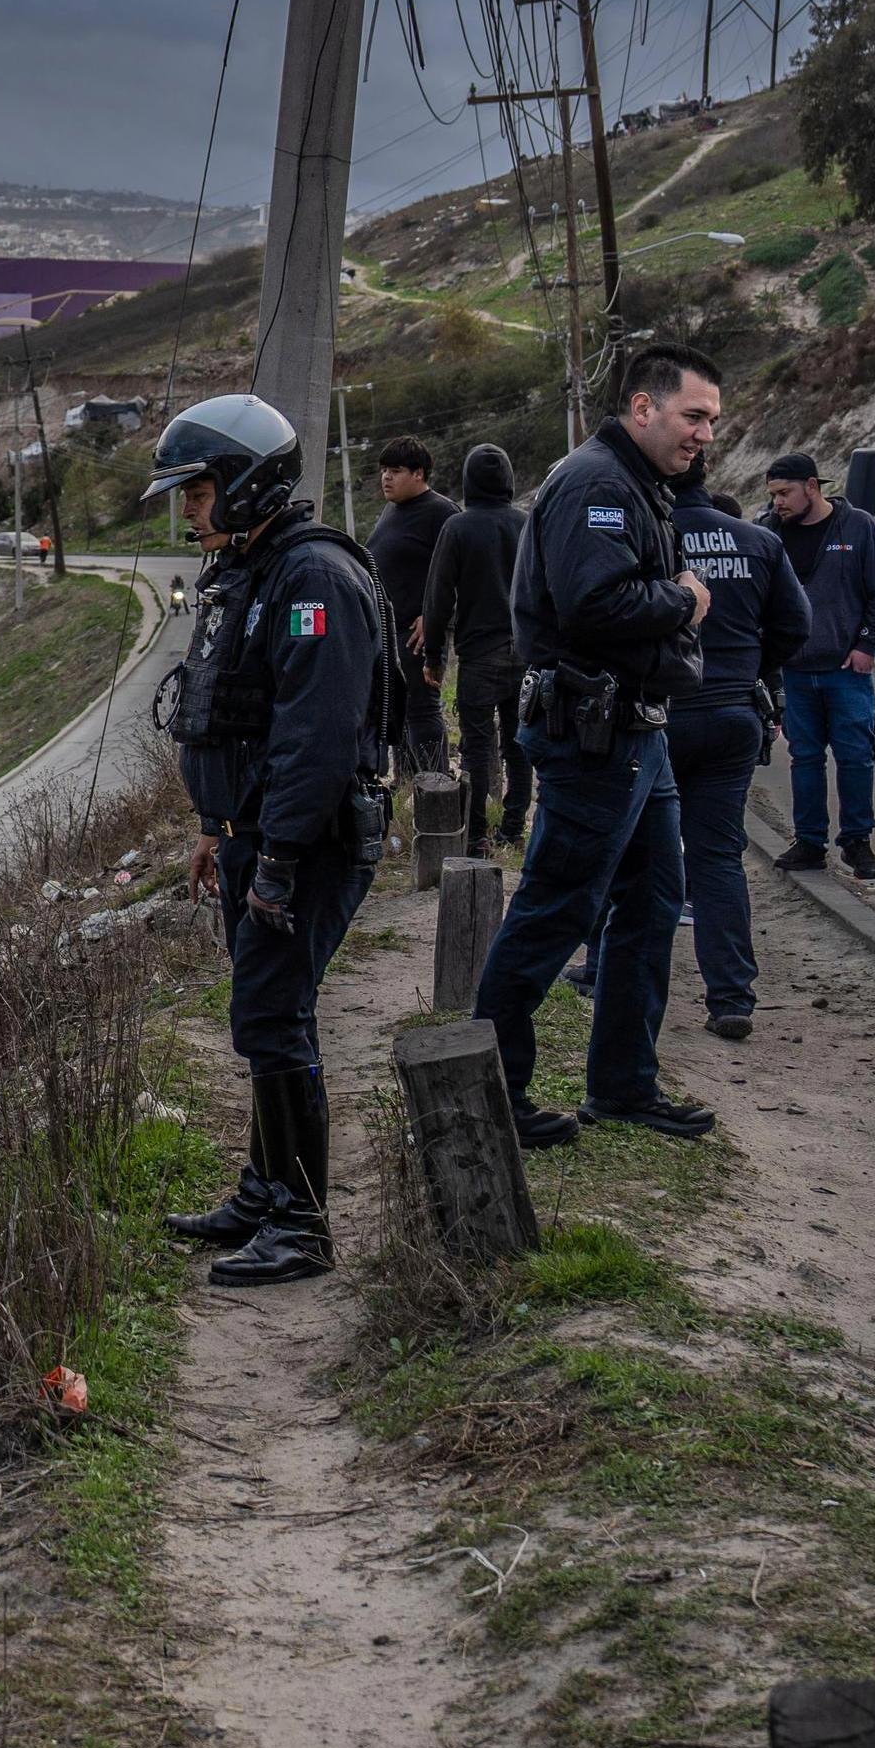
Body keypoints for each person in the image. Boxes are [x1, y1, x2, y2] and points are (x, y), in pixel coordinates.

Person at [143, 393, 390, 1288]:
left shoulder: (312, 579)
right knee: (264, 1017)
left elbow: (316, 741)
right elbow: (236, 715)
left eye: (199, 491)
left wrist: (278, 860)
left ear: (246, 482)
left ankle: (303, 1226)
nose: (189, 509)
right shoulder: (251, 570)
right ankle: (263, 1189)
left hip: (310, 842)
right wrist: (219, 826)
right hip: (260, 837)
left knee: (274, 1019)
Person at [471, 344, 724, 1148]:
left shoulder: (636, 483)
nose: (705, 435)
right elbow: (595, 603)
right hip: (595, 736)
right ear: (642, 408)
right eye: (694, 416)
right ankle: (491, 1096)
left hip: (636, 732)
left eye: (712, 420)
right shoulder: (596, 484)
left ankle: (622, 1086)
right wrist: (684, 601)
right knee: (555, 911)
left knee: (649, 909)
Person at [668, 461, 807, 1041]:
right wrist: (752, 667)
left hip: (662, 713)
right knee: (719, 856)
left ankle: (604, 969)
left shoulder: (653, 534)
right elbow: (796, 626)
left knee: (630, 848)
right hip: (732, 715)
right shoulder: (759, 541)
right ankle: (731, 997)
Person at [765, 451, 875, 880]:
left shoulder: (857, 528)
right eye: (772, 495)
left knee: (856, 757)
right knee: (804, 759)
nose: (778, 502)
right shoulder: (770, 533)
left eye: (784, 493)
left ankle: (857, 841)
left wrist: (867, 644)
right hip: (795, 671)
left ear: (812, 486)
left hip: (846, 671)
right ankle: (809, 841)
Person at [421, 443, 532, 847]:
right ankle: (515, 828)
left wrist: (434, 657)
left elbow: (438, 599)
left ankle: (477, 836)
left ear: (469, 482)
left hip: (479, 656)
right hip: (525, 653)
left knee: (476, 747)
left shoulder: (458, 527)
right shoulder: (526, 524)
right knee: (520, 744)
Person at [366, 439, 456, 779]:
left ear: (419, 474)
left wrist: (434, 618)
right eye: (384, 471)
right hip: (388, 630)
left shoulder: (441, 512)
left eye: (396, 471)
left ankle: (436, 788)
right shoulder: (392, 509)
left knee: (422, 712)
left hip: (417, 636)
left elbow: (461, 574)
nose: (386, 478)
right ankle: (406, 788)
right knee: (397, 714)